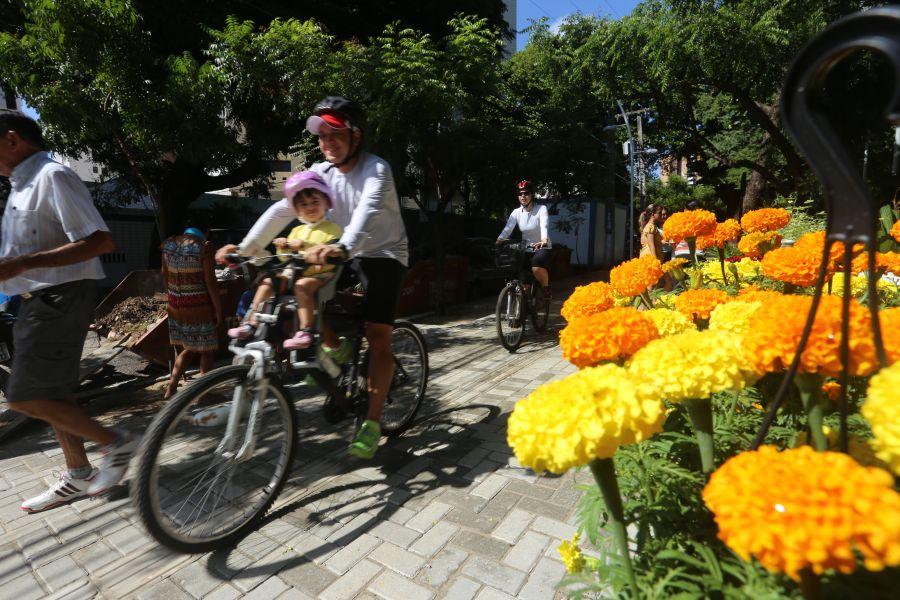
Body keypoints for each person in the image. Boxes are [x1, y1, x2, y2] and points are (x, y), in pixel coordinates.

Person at [216, 96, 408, 459]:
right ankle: (335, 353)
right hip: (331, 247)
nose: (326, 142)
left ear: (356, 135)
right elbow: (281, 208)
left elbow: (366, 212)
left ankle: (371, 421)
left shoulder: (377, 169)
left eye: (334, 133)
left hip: (381, 253)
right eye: (321, 135)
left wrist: (343, 248)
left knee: (378, 334)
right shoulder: (320, 173)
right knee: (292, 300)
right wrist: (244, 248)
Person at [0, 109, 139, 511]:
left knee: (24, 398)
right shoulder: (19, 188)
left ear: (12, 139)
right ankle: (78, 474)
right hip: (31, 301)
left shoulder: (52, 176)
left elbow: (100, 241)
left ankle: (118, 443)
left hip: (59, 297)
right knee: (55, 394)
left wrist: (23, 265)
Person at [227, 171, 342, 351]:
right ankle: (252, 323)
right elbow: (284, 258)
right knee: (267, 282)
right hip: (296, 272)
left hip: (321, 273)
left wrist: (304, 244)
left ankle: (306, 331)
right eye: (304, 204)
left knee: (302, 286)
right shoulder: (297, 230)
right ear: (297, 209)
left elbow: (331, 248)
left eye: (315, 202)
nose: (310, 207)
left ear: (326, 202)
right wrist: (283, 246)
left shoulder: (332, 228)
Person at [161, 223, 223, 399]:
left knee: (189, 347)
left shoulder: (169, 245)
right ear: (205, 232)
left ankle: (171, 388)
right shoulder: (204, 248)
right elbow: (210, 281)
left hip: (175, 306)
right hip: (198, 307)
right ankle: (205, 393)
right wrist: (218, 309)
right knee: (206, 350)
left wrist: (175, 297)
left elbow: (164, 276)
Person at [496, 180, 552, 298]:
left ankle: (545, 287)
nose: (523, 196)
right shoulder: (516, 212)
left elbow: (544, 225)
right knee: (523, 281)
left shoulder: (541, 209)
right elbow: (508, 228)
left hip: (541, 246)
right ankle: (522, 309)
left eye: (526, 193)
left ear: (532, 194)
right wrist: (499, 240)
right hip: (525, 248)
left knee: (536, 265)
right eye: (520, 194)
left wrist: (544, 239)